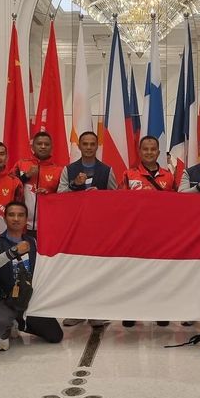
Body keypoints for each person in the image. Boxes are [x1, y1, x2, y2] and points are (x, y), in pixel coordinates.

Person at [0, 201, 63, 350]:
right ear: (5, 218)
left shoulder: (33, 241)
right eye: (11, 215)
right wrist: (13, 252)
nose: (16, 218)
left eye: (20, 215)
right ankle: (5, 329)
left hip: (29, 299)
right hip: (5, 300)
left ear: (26, 219)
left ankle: (18, 323)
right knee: (0, 323)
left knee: (55, 336)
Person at [57, 131, 115, 328]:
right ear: (79, 146)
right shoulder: (69, 169)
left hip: (98, 230)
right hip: (75, 229)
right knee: (76, 270)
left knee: (97, 271)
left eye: (92, 144)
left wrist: (102, 197)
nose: (89, 147)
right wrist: (75, 185)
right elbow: (59, 196)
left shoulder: (107, 170)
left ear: (97, 146)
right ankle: (76, 311)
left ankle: (96, 311)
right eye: (85, 144)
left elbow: (116, 200)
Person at [121, 136, 175, 327]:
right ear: (140, 151)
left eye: (153, 149)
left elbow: (177, 205)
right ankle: (130, 311)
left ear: (159, 153)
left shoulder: (169, 176)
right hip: (135, 234)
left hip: (160, 234)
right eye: (145, 149)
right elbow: (120, 204)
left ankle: (160, 310)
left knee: (160, 272)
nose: (149, 152)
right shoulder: (129, 174)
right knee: (132, 272)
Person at [12, 132, 63, 236]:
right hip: (21, 225)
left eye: (46, 144)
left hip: (47, 226)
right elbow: (9, 186)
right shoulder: (21, 164)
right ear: (33, 146)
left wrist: (49, 195)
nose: (43, 147)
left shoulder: (59, 170)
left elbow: (63, 198)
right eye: (39, 144)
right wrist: (26, 176)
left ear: (51, 147)